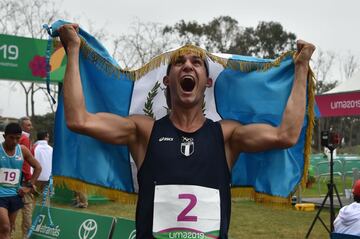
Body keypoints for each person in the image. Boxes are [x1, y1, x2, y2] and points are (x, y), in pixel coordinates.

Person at [58, 23, 315, 238]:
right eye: (179, 62)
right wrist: (73, 49)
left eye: (197, 62)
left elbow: (286, 135)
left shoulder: (226, 136)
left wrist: (301, 67)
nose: (188, 65)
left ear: (208, 81)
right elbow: (79, 120)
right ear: (167, 80)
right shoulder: (143, 131)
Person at [0, 123, 41, 239]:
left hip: (15, 194)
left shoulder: (22, 150)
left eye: (17, 138)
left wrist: (29, 185)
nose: (14, 141)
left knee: (10, 227)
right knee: (5, 227)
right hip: (0, 195)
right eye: (11, 138)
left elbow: (38, 167)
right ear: (4, 136)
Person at [18, 117, 34, 239]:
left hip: (16, 178)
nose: (31, 127)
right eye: (28, 125)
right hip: (23, 179)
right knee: (27, 208)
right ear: (22, 126)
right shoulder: (24, 138)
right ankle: (26, 236)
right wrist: (29, 178)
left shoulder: (18, 138)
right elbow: (25, 162)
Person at [32, 131, 53, 206]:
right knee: (45, 199)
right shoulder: (51, 149)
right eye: (48, 136)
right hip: (47, 177)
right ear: (45, 137)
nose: (48, 138)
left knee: (32, 198)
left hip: (36, 176)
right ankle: (44, 215)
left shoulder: (34, 147)